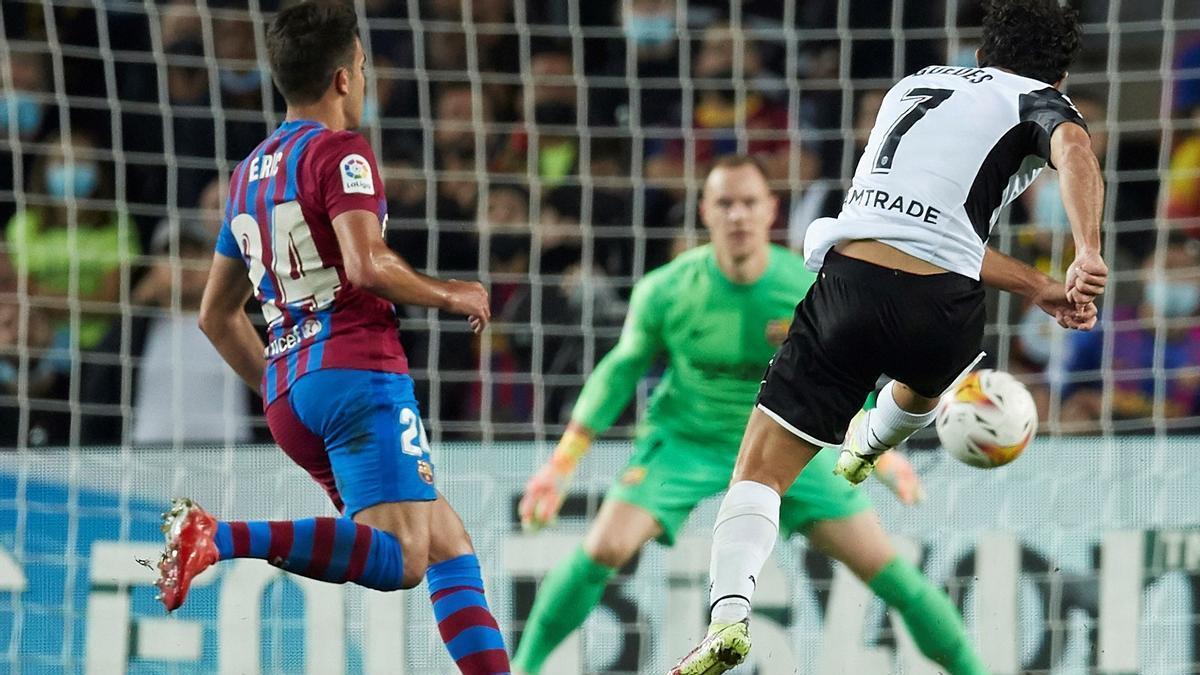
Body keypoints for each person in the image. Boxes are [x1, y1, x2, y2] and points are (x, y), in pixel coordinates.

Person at [671, 1, 1108, 673]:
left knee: (758, 472)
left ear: (982, 51)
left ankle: (728, 617)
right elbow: (1071, 152)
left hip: (850, 285)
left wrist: (1040, 286)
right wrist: (1083, 253)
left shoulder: (914, 86)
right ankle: (869, 443)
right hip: (943, 312)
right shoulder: (1042, 105)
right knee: (926, 372)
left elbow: (920, 227)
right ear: (1063, 75)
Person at [511, 156, 985, 675]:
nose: (737, 215)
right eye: (725, 204)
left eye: (749, 203)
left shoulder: (807, 285)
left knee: (888, 570)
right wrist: (560, 466)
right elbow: (618, 372)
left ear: (770, 211)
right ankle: (521, 670)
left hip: (789, 443)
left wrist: (881, 453)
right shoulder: (667, 289)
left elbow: (843, 375)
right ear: (705, 212)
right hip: (687, 441)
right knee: (603, 548)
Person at [146, 4, 510, 673]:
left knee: (445, 540)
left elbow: (214, 314)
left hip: (289, 393)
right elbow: (367, 263)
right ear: (344, 78)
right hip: (358, 373)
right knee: (401, 556)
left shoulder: (248, 173)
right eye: (365, 67)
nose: (366, 80)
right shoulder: (341, 151)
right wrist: (449, 291)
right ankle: (218, 535)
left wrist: (287, 375)